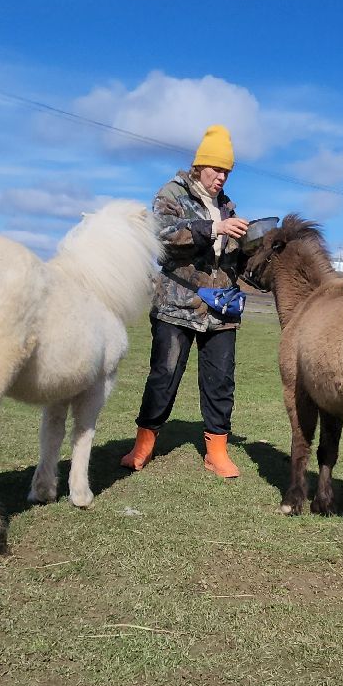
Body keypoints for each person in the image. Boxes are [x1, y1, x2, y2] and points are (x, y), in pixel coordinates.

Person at [120, 125, 253, 478]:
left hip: (221, 308)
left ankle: (216, 452)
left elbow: (230, 258)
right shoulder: (171, 194)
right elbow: (160, 235)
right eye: (216, 169)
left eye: (227, 171)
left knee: (221, 380)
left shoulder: (227, 207)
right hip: (175, 307)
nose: (221, 177)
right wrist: (211, 229)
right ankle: (143, 445)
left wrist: (252, 245)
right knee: (163, 375)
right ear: (200, 166)